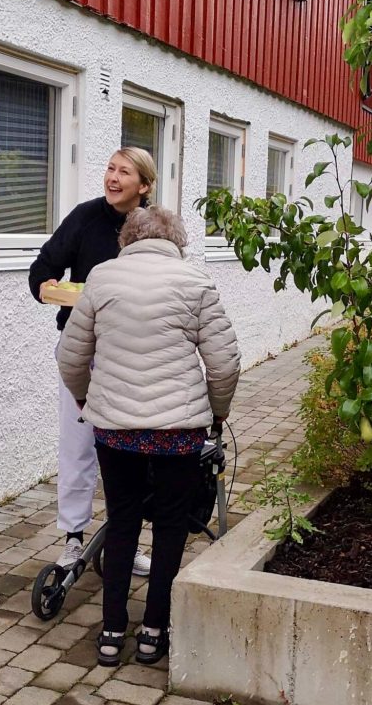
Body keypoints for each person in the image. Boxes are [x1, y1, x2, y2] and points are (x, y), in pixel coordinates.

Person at [57, 206, 240, 667]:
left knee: (122, 523)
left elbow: (70, 357)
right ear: (176, 241)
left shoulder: (100, 279)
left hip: (115, 432)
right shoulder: (195, 282)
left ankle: (111, 632)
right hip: (178, 432)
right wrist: (216, 416)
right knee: (172, 525)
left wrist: (85, 400)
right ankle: (154, 631)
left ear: (128, 239)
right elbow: (224, 364)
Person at [29, 148, 155, 575]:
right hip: (81, 350)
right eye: (110, 169)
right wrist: (47, 285)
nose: (113, 178)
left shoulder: (153, 229)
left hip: (133, 354)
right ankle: (73, 539)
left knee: (131, 452)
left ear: (145, 185)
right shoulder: (85, 217)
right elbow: (42, 269)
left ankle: (127, 541)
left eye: (125, 172)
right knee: (78, 446)